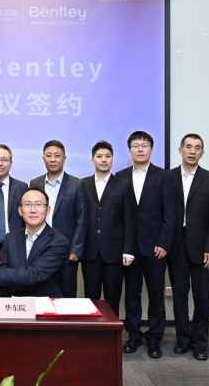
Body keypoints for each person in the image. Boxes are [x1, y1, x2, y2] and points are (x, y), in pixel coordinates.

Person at [116, 131, 177, 358]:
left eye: (144, 145)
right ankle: (133, 335)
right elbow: (118, 216)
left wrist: (164, 243)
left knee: (156, 295)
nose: (140, 149)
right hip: (130, 248)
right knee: (132, 294)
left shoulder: (164, 176)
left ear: (151, 149)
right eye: (135, 145)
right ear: (129, 150)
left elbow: (170, 214)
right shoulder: (120, 176)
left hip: (155, 248)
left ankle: (154, 338)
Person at [169, 133, 209, 361]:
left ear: (202, 153)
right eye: (188, 147)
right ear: (180, 150)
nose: (192, 151)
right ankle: (182, 339)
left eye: (197, 147)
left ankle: (200, 343)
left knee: (202, 297)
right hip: (175, 246)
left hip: (202, 248)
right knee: (179, 296)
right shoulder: (168, 177)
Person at [0, 188, 70, 297]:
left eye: (38, 204)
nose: (33, 210)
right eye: (27, 205)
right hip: (16, 303)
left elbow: (35, 274)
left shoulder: (59, 242)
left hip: (46, 303)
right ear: (20, 210)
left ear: (47, 210)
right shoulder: (11, 238)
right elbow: (3, 274)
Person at [82, 141, 137, 316]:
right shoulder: (82, 184)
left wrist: (128, 250)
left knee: (113, 299)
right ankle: (92, 333)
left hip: (114, 252)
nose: (103, 160)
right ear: (92, 160)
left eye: (107, 156)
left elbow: (129, 220)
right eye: (99, 156)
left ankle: (112, 333)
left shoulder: (124, 185)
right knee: (90, 300)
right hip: (90, 252)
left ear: (112, 159)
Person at [29, 140, 87, 298]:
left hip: (67, 250)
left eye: (57, 155)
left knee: (67, 294)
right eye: (49, 155)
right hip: (39, 248)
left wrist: (76, 249)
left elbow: (82, 219)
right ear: (43, 159)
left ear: (64, 159)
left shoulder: (77, 184)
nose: (53, 159)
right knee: (40, 293)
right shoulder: (35, 183)